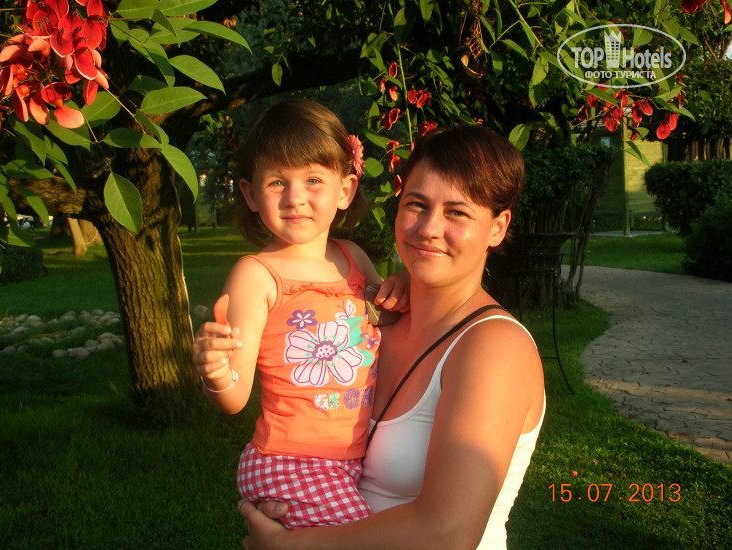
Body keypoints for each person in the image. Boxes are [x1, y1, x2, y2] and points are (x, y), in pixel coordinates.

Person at [195, 124, 545, 549]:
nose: (429, 228)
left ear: (497, 226)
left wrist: (291, 546)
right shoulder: (372, 325)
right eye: (416, 204)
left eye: (457, 212)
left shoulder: (494, 348)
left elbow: (448, 533)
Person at [192, 100, 409, 530]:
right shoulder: (256, 276)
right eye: (277, 182)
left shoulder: (353, 257)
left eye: (313, 179)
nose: (295, 198)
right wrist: (215, 374)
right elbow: (234, 400)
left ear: (345, 190)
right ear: (250, 193)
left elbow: (383, 316)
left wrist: (402, 287)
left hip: (351, 459)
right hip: (290, 462)